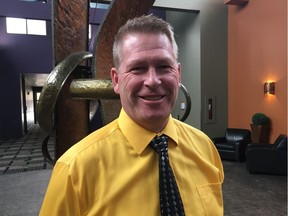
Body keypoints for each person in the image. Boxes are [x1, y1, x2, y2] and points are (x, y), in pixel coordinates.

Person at [40, 15, 224, 216]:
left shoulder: (205, 149)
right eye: (138, 68)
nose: (153, 81)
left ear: (178, 74)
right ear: (116, 80)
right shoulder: (74, 170)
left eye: (164, 66)